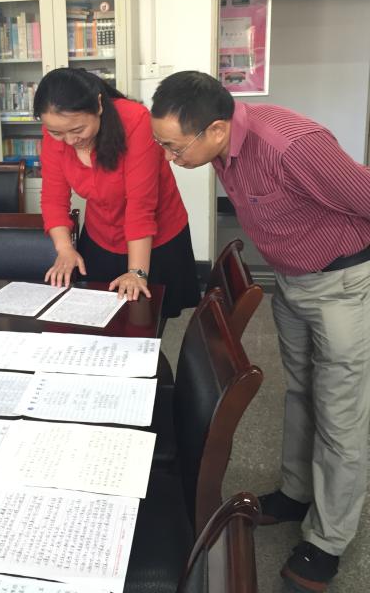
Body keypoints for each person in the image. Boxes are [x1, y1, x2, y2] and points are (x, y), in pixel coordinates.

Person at [150, 70, 370, 592]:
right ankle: (296, 493)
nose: (170, 158)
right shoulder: (220, 147)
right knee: (301, 392)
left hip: (343, 284)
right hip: (291, 281)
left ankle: (328, 540)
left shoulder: (292, 146)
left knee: (341, 413)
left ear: (216, 129)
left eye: (175, 147)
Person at [33, 67, 200, 319]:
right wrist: (64, 248)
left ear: (98, 105)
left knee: (145, 320)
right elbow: (53, 198)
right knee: (98, 318)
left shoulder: (136, 121)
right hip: (101, 235)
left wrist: (137, 273)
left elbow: (140, 206)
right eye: (57, 133)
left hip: (154, 240)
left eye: (78, 130)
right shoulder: (54, 132)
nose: (69, 140)